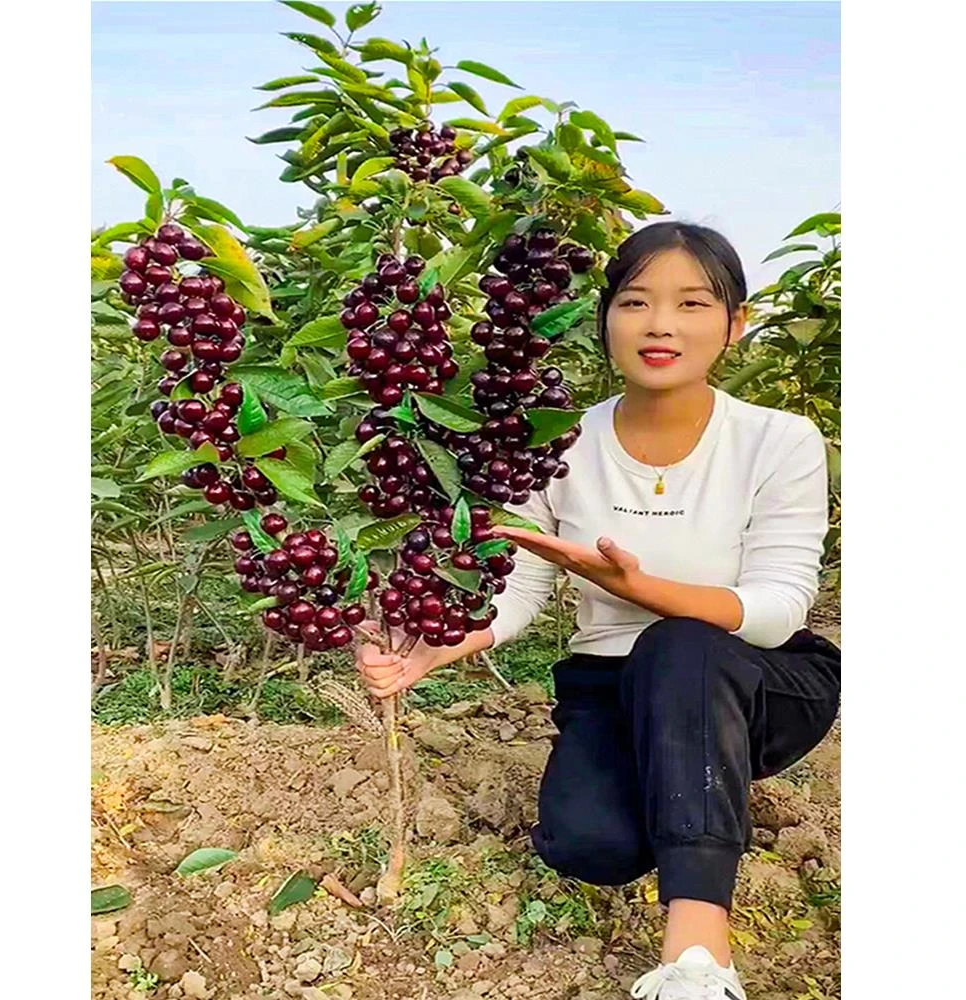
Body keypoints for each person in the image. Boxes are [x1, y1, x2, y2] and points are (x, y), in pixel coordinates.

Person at [355, 221, 842, 1000]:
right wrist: (441, 647)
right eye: (636, 301)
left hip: (758, 680)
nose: (660, 325)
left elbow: (778, 610)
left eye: (692, 303)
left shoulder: (778, 441)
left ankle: (699, 958)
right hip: (611, 684)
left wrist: (634, 588)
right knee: (590, 846)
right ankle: (688, 772)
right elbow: (520, 585)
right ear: (604, 317)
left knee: (679, 645)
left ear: (735, 323)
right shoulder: (555, 442)